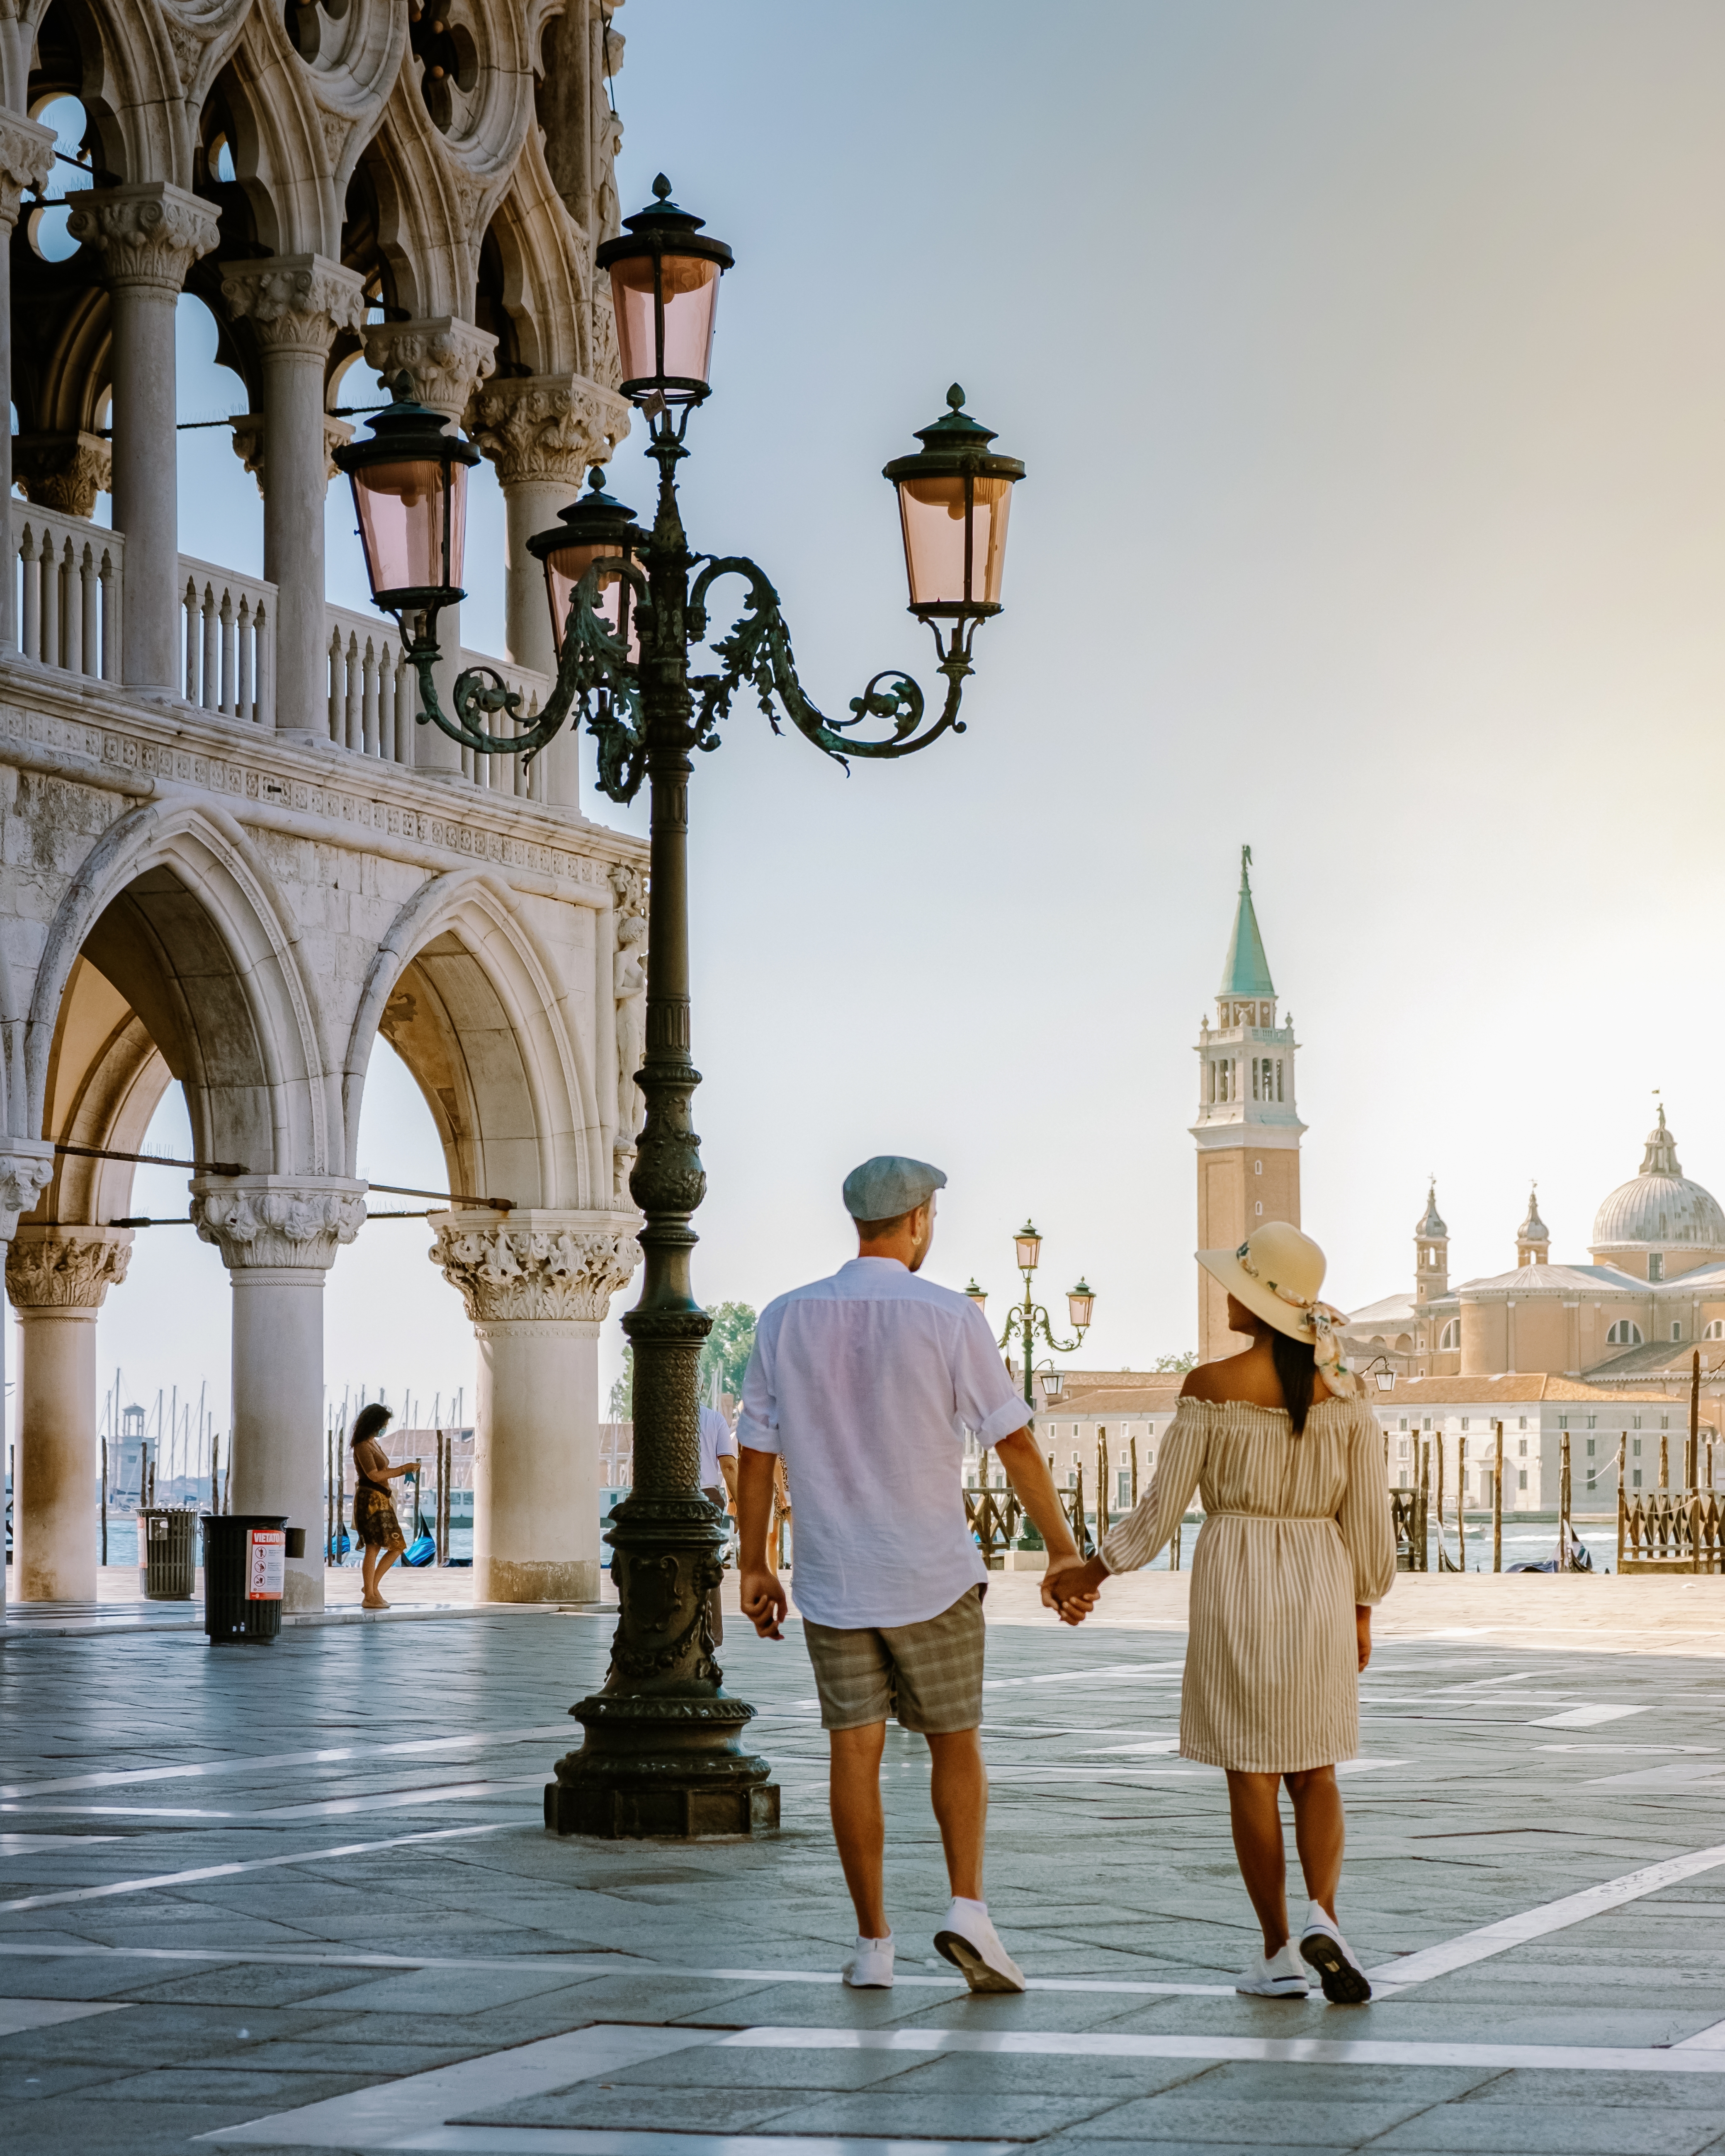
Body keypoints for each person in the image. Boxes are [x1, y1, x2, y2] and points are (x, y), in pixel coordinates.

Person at [736, 1155, 1087, 1995]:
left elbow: (756, 1450)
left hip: (830, 1577)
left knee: (850, 1755)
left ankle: (872, 1944)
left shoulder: (785, 1317)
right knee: (954, 1742)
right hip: (931, 1570)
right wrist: (1062, 1551)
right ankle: (968, 1907)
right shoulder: (948, 1316)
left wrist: (754, 1560)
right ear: (921, 1218)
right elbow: (1013, 1440)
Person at [1049, 1221, 1395, 2005]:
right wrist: (1362, 1609)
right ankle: (1328, 1918)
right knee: (1318, 1766)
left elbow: (1159, 1511)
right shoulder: (1347, 1396)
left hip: (1237, 1573)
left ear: (1258, 1305)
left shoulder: (1209, 1387)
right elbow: (1371, 1522)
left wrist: (1091, 1572)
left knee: (1252, 1771)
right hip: (1319, 1577)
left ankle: (1277, 1952)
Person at [349, 1402, 415, 1609]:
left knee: (396, 1546)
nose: (386, 1427)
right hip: (370, 1501)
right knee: (374, 1547)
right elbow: (374, 1475)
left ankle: (371, 1588)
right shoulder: (362, 1446)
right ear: (375, 1423)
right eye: (384, 1423)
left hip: (382, 1499)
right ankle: (370, 1594)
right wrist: (403, 1470)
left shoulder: (373, 1443)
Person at [698, 1398, 738, 1644]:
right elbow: (728, 1466)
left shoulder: (660, 1416)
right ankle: (712, 1633)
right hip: (707, 1496)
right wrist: (741, 1506)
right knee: (709, 1563)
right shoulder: (714, 1419)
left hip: (668, 1495)